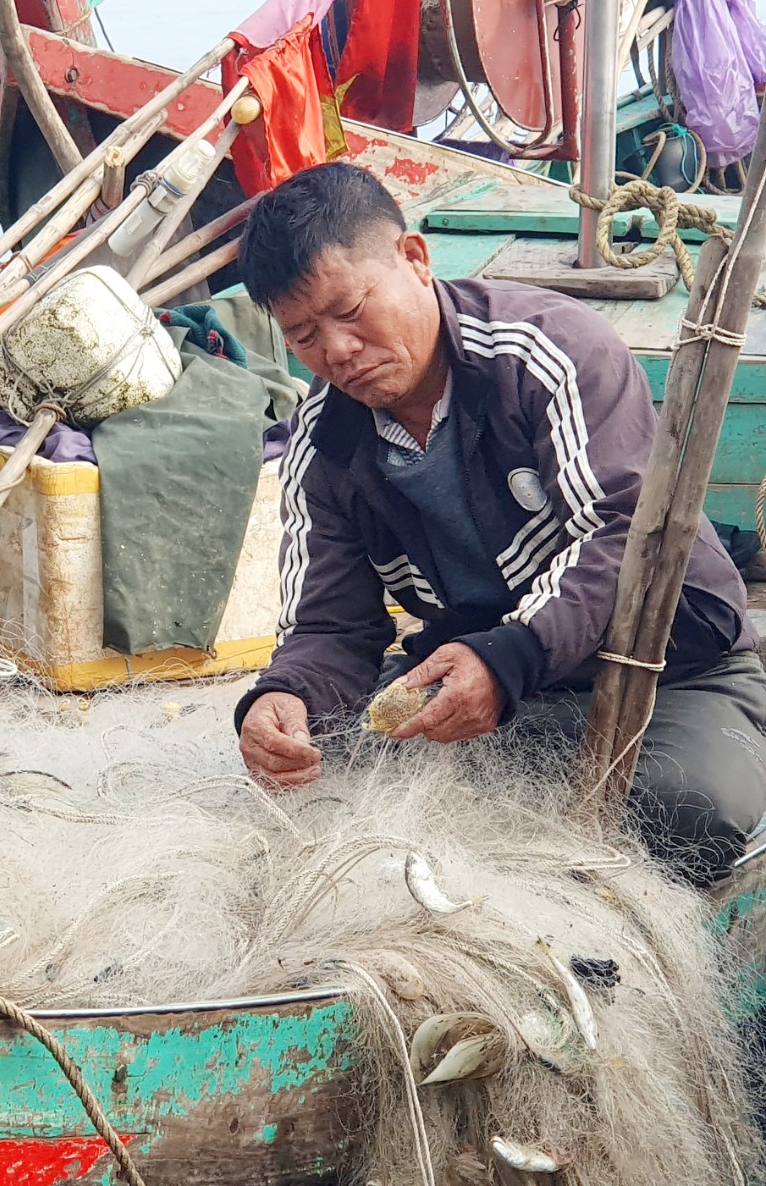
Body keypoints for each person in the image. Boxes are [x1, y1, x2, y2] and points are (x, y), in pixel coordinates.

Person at [234, 161, 766, 887]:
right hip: (498, 689)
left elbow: (622, 537)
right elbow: (329, 628)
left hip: (673, 671)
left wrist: (507, 658)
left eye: (351, 310)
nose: (336, 351)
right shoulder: (322, 444)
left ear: (415, 261)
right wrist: (281, 697)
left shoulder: (548, 350)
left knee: (689, 808)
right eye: (302, 336)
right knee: (321, 769)